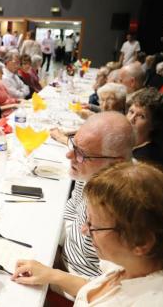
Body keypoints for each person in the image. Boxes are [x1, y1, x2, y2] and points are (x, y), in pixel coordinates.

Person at [13, 162, 163, 307]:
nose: (84, 230)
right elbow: (98, 289)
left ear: (141, 242)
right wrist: (52, 275)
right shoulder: (138, 263)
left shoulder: (162, 301)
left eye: (93, 225)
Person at [57, 112, 135, 279]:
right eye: (73, 145)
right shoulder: (91, 171)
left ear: (116, 162)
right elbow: (72, 207)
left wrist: (54, 276)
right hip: (61, 258)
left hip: (80, 285)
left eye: (82, 153)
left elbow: (111, 287)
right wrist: (55, 245)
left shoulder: (123, 204)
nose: (69, 156)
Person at [126, 88, 163, 162]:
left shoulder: (146, 158)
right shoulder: (128, 143)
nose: (131, 119)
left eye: (141, 116)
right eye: (131, 112)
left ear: (154, 124)